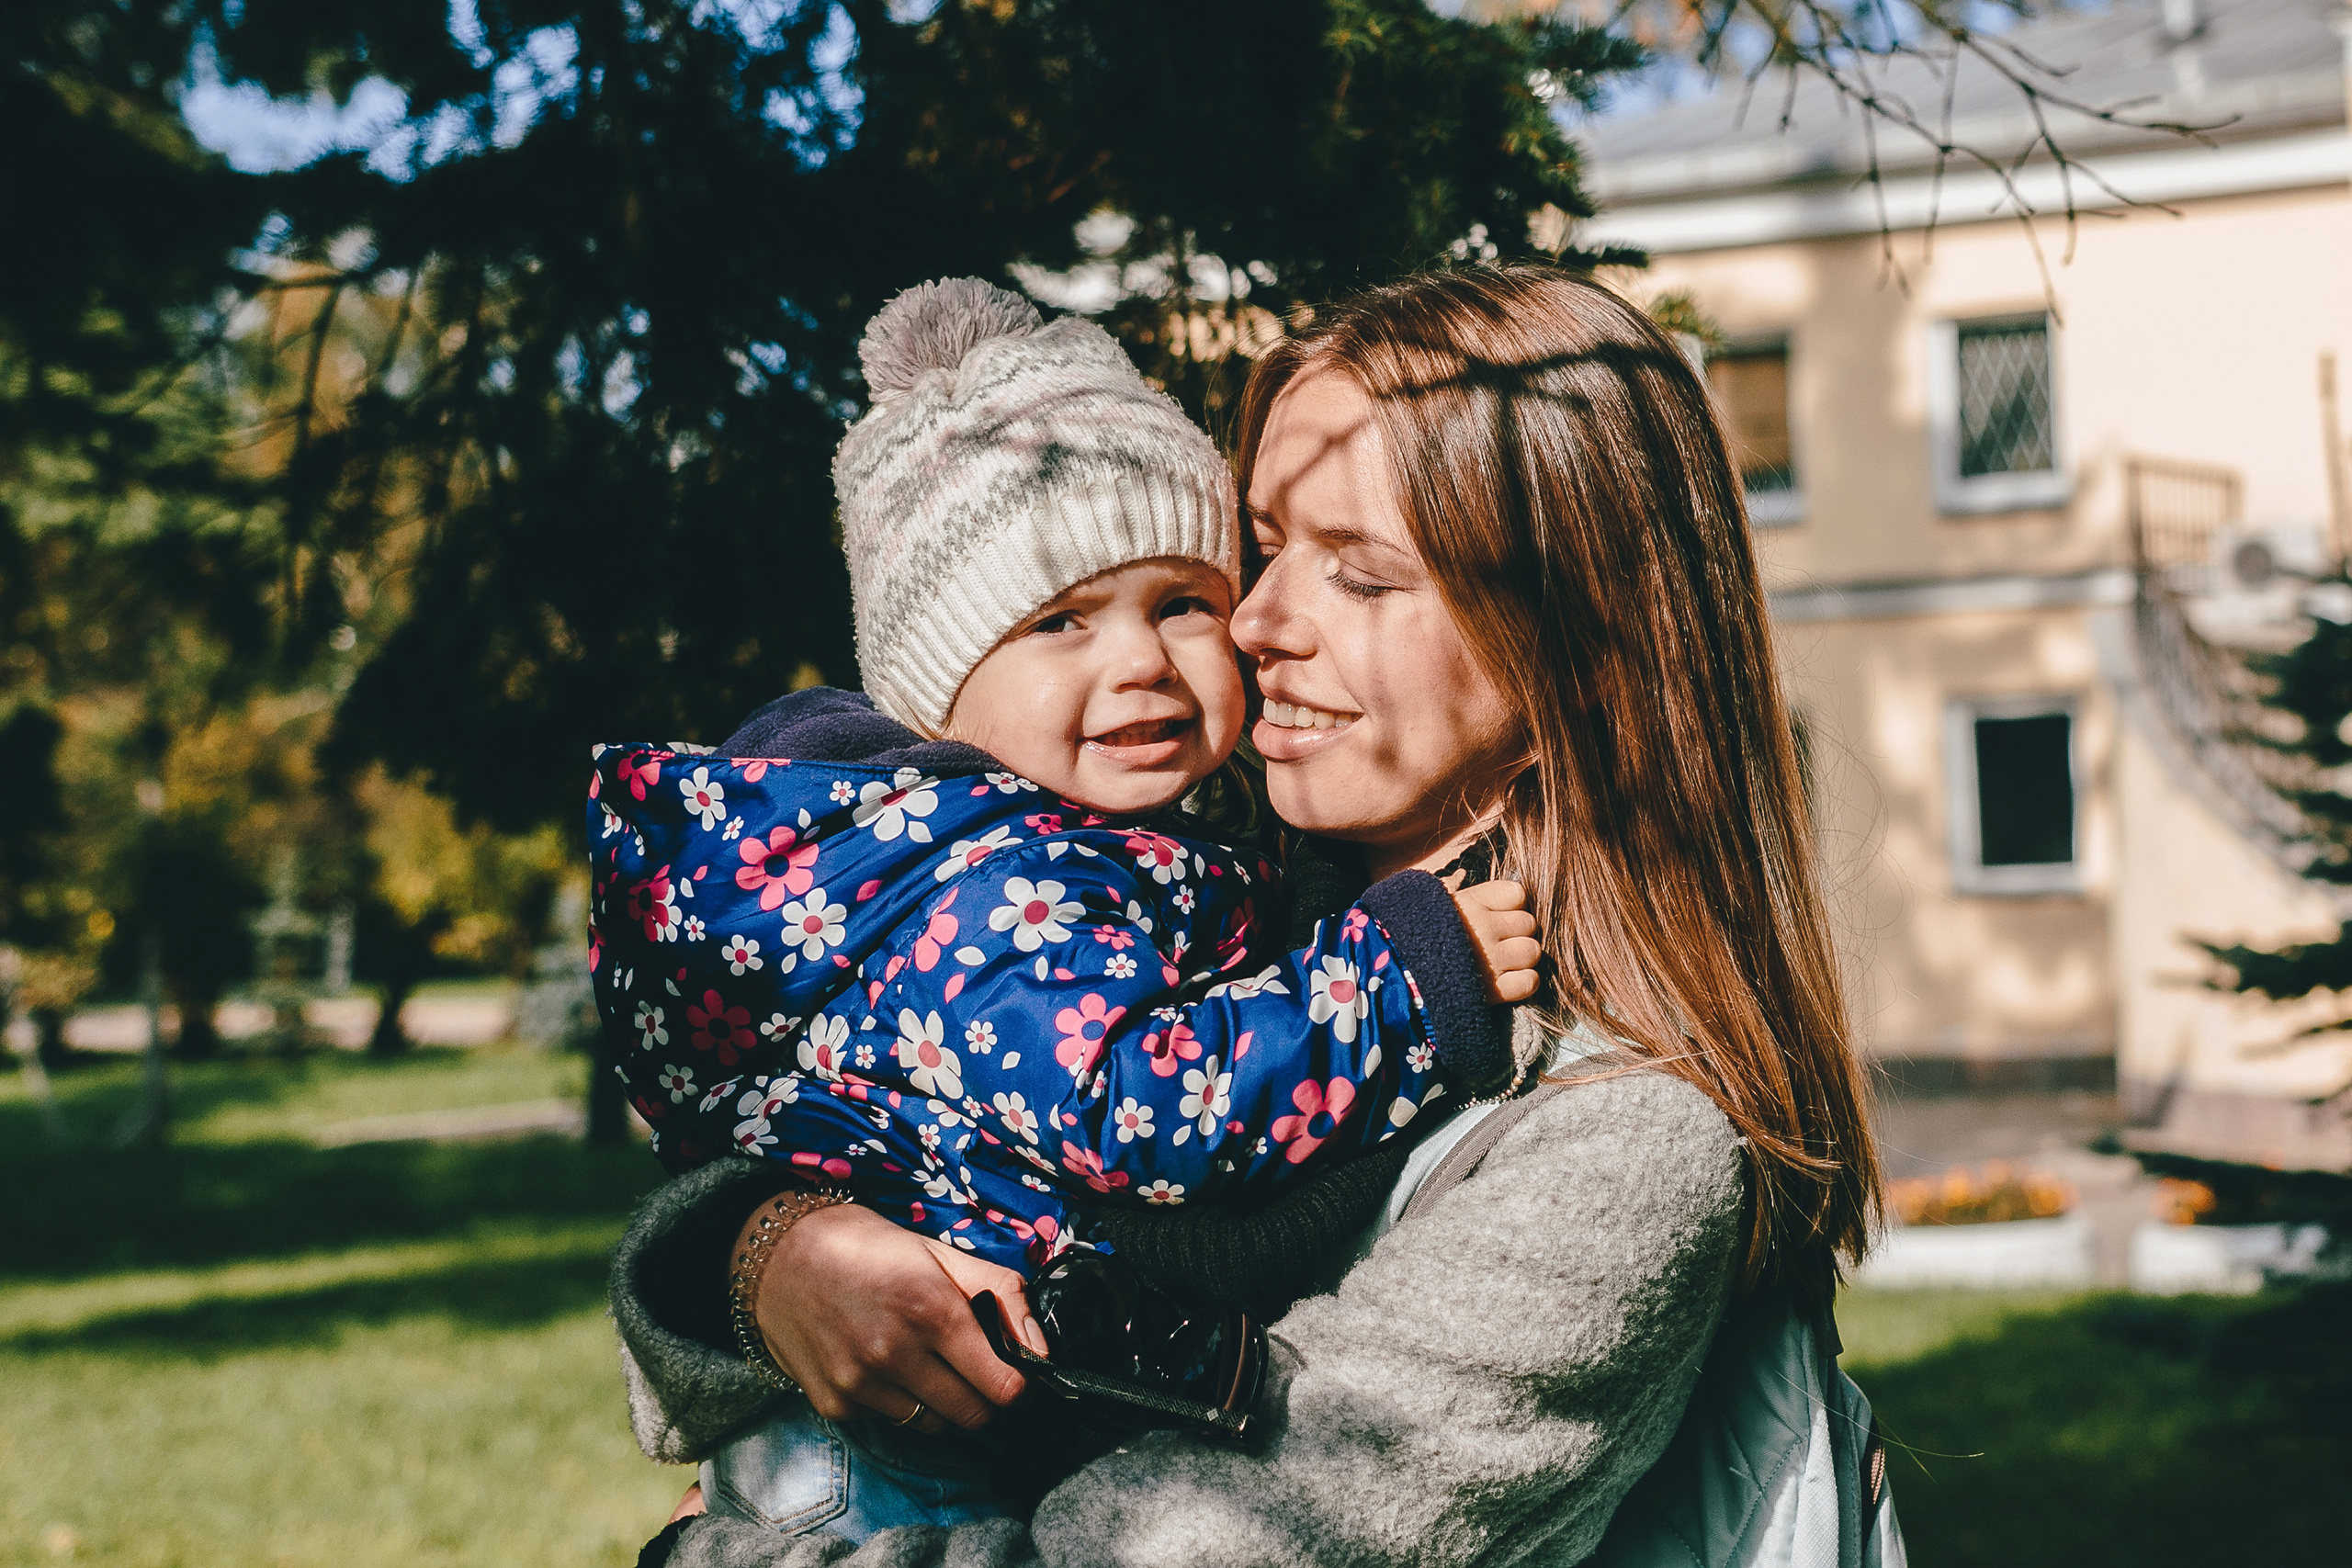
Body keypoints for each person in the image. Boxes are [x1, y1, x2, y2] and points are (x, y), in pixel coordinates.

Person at [613, 265, 1891, 1568]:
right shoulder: (1186, 931)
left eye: (1364, 574)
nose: (1257, 618)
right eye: (1266, 546)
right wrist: (775, 1251)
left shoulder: (1621, 1136)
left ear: (1573, 645)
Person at [593, 277, 1540, 1541]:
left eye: (1184, 602)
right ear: (943, 688)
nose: (1141, 662)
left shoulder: (1089, 847)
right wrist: (1404, 976)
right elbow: (1142, 1107)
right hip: (904, 1464)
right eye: (1060, 624)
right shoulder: (997, 889)